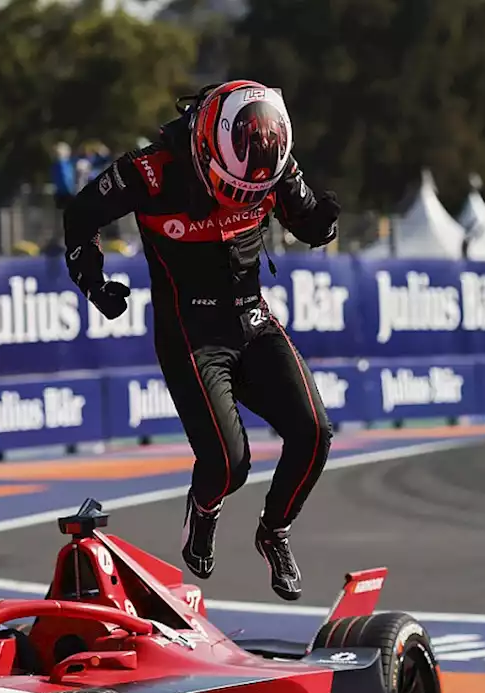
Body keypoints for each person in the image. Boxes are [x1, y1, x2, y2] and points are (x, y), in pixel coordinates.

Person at [61, 80, 341, 601]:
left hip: (252, 319)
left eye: (250, 196)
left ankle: (273, 530)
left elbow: (308, 222)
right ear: (205, 148)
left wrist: (321, 223)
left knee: (316, 433)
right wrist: (92, 279)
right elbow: (80, 214)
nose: (237, 201)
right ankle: (205, 508)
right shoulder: (150, 170)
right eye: (228, 189)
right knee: (228, 465)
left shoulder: (273, 160)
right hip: (190, 332)